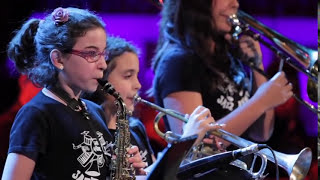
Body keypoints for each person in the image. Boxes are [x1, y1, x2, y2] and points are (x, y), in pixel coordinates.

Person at [2, 7, 147, 180]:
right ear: (58, 59)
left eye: (103, 54)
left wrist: (129, 171)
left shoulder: (95, 111)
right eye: (92, 53)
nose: (103, 64)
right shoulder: (36, 114)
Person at [151, 0, 293, 146]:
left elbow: (261, 134)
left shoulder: (227, 57)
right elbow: (195, 147)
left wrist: (257, 66)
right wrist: (261, 101)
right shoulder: (177, 62)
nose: (236, 4)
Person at [83, 36, 223, 169]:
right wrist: (187, 140)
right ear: (101, 80)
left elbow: (160, 176)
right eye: (128, 76)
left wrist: (197, 151)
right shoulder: (89, 133)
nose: (138, 85)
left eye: (137, 75)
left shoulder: (136, 128)